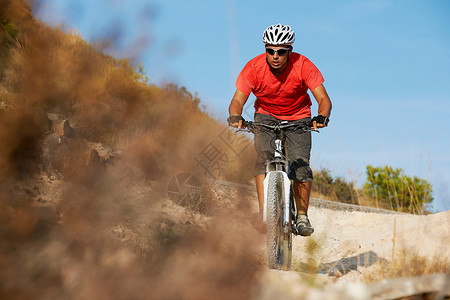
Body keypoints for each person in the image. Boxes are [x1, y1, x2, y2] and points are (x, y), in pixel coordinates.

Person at [227, 23, 332, 236]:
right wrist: (236, 116)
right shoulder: (254, 67)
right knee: (261, 159)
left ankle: (302, 216)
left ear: (289, 51)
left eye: (281, 51)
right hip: (265, 116)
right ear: (265, 49)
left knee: (300, 164)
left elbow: (324, 99)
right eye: (270, 50)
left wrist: (321, 116)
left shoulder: (303, 65)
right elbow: (237, 100)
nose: (275, 56)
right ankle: (263, 211)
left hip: (299, 117)